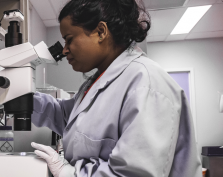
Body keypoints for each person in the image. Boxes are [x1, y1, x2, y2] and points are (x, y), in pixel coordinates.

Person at [30, 0, 202, 176]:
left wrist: (67, 172)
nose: (65, 50)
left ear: (101, 31)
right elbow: (69, 118)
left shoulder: (145, 84)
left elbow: (134, 174)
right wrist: (24, 98)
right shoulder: (98, 82)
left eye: (69, 39)